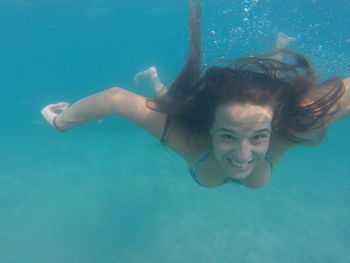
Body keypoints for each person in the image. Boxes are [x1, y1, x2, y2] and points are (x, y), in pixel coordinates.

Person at [41, 0, 349, 189]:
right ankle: (278, 50)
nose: (242, 157)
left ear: (272, 130)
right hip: (191, 125)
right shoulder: (187, 137)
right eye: (228, 136)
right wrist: (60, 123)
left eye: (258, 137)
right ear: (210, 128)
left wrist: (60, 123)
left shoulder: (292, 123)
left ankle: (278, 51)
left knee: (273, 85)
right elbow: (115, 99)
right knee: (168, 102)